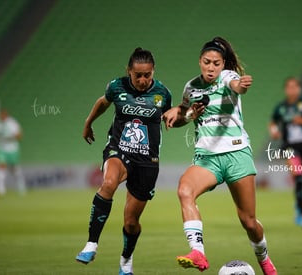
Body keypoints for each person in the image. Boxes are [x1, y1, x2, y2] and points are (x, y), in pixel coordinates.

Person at [163, 37, 277, 275]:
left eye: (216, 63)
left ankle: (264, 259)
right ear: (200, 62)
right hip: (207, 159)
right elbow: (185, 115)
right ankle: (198, 253)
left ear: (223, 64)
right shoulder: (190, 87)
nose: (211, 67)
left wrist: (242, 85)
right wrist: (182, 114)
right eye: (207, 62)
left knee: (249, 221)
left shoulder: (228, 78)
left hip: (236, 153)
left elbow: (238, 87)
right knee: (185, 190)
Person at [75, 48, 172, 275]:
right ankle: (91, 244)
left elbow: (172, 118)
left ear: (153, 72)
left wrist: (182, 117)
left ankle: (126, 261)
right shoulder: (116, 87)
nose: (142, 80)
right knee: (108, 184)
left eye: (147, 75)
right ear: (129, 71)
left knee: (130, 222)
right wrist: (88, 123)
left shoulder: (163, 94)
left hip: (147, 161)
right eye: (137, 74)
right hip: (119, 149)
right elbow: (103, 102)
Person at [269, 77, 302, 228]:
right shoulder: (281, 107)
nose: (292, 90)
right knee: (299, 177)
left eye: (294, 87)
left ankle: (299, 200)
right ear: (285, 89)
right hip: (289, 147)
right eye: (289, 87)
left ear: (299, 88)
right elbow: (273, 122)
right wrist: (274, 131)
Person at [0, 109, 26, 195]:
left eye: (2, 115)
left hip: (12, 149)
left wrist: (8, 139)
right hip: (2, 150)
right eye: (0, 115)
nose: (1, 117)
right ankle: (1, 190)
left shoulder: (12, 123)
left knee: (14, 169)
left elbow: (19, 136)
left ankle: (21, 185)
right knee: (1, 166)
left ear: (6, 115)